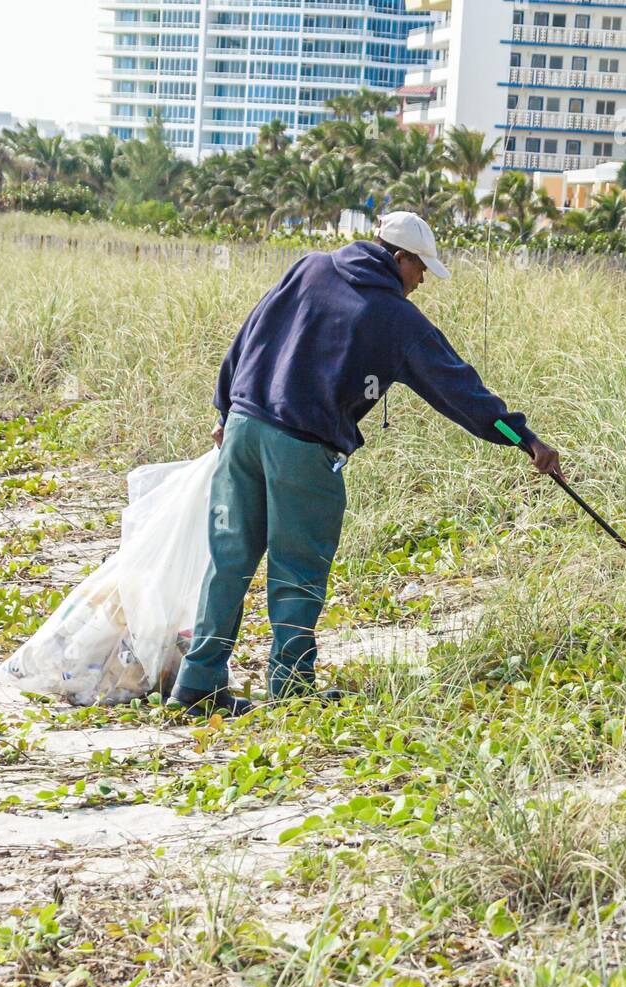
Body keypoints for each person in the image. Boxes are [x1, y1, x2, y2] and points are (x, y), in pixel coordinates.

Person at [170, 210, 562, 716]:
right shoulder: (396, 319)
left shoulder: (308, 267)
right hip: (302, 449)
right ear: (399, 258)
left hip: (243, 431)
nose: (421, 282)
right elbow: (462, 392)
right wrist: (523, 437)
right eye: (421, 270)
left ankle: (198, 685)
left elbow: (248, 336)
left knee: (229, 563)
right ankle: (290, 687)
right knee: (297, 569)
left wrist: (224, 409)